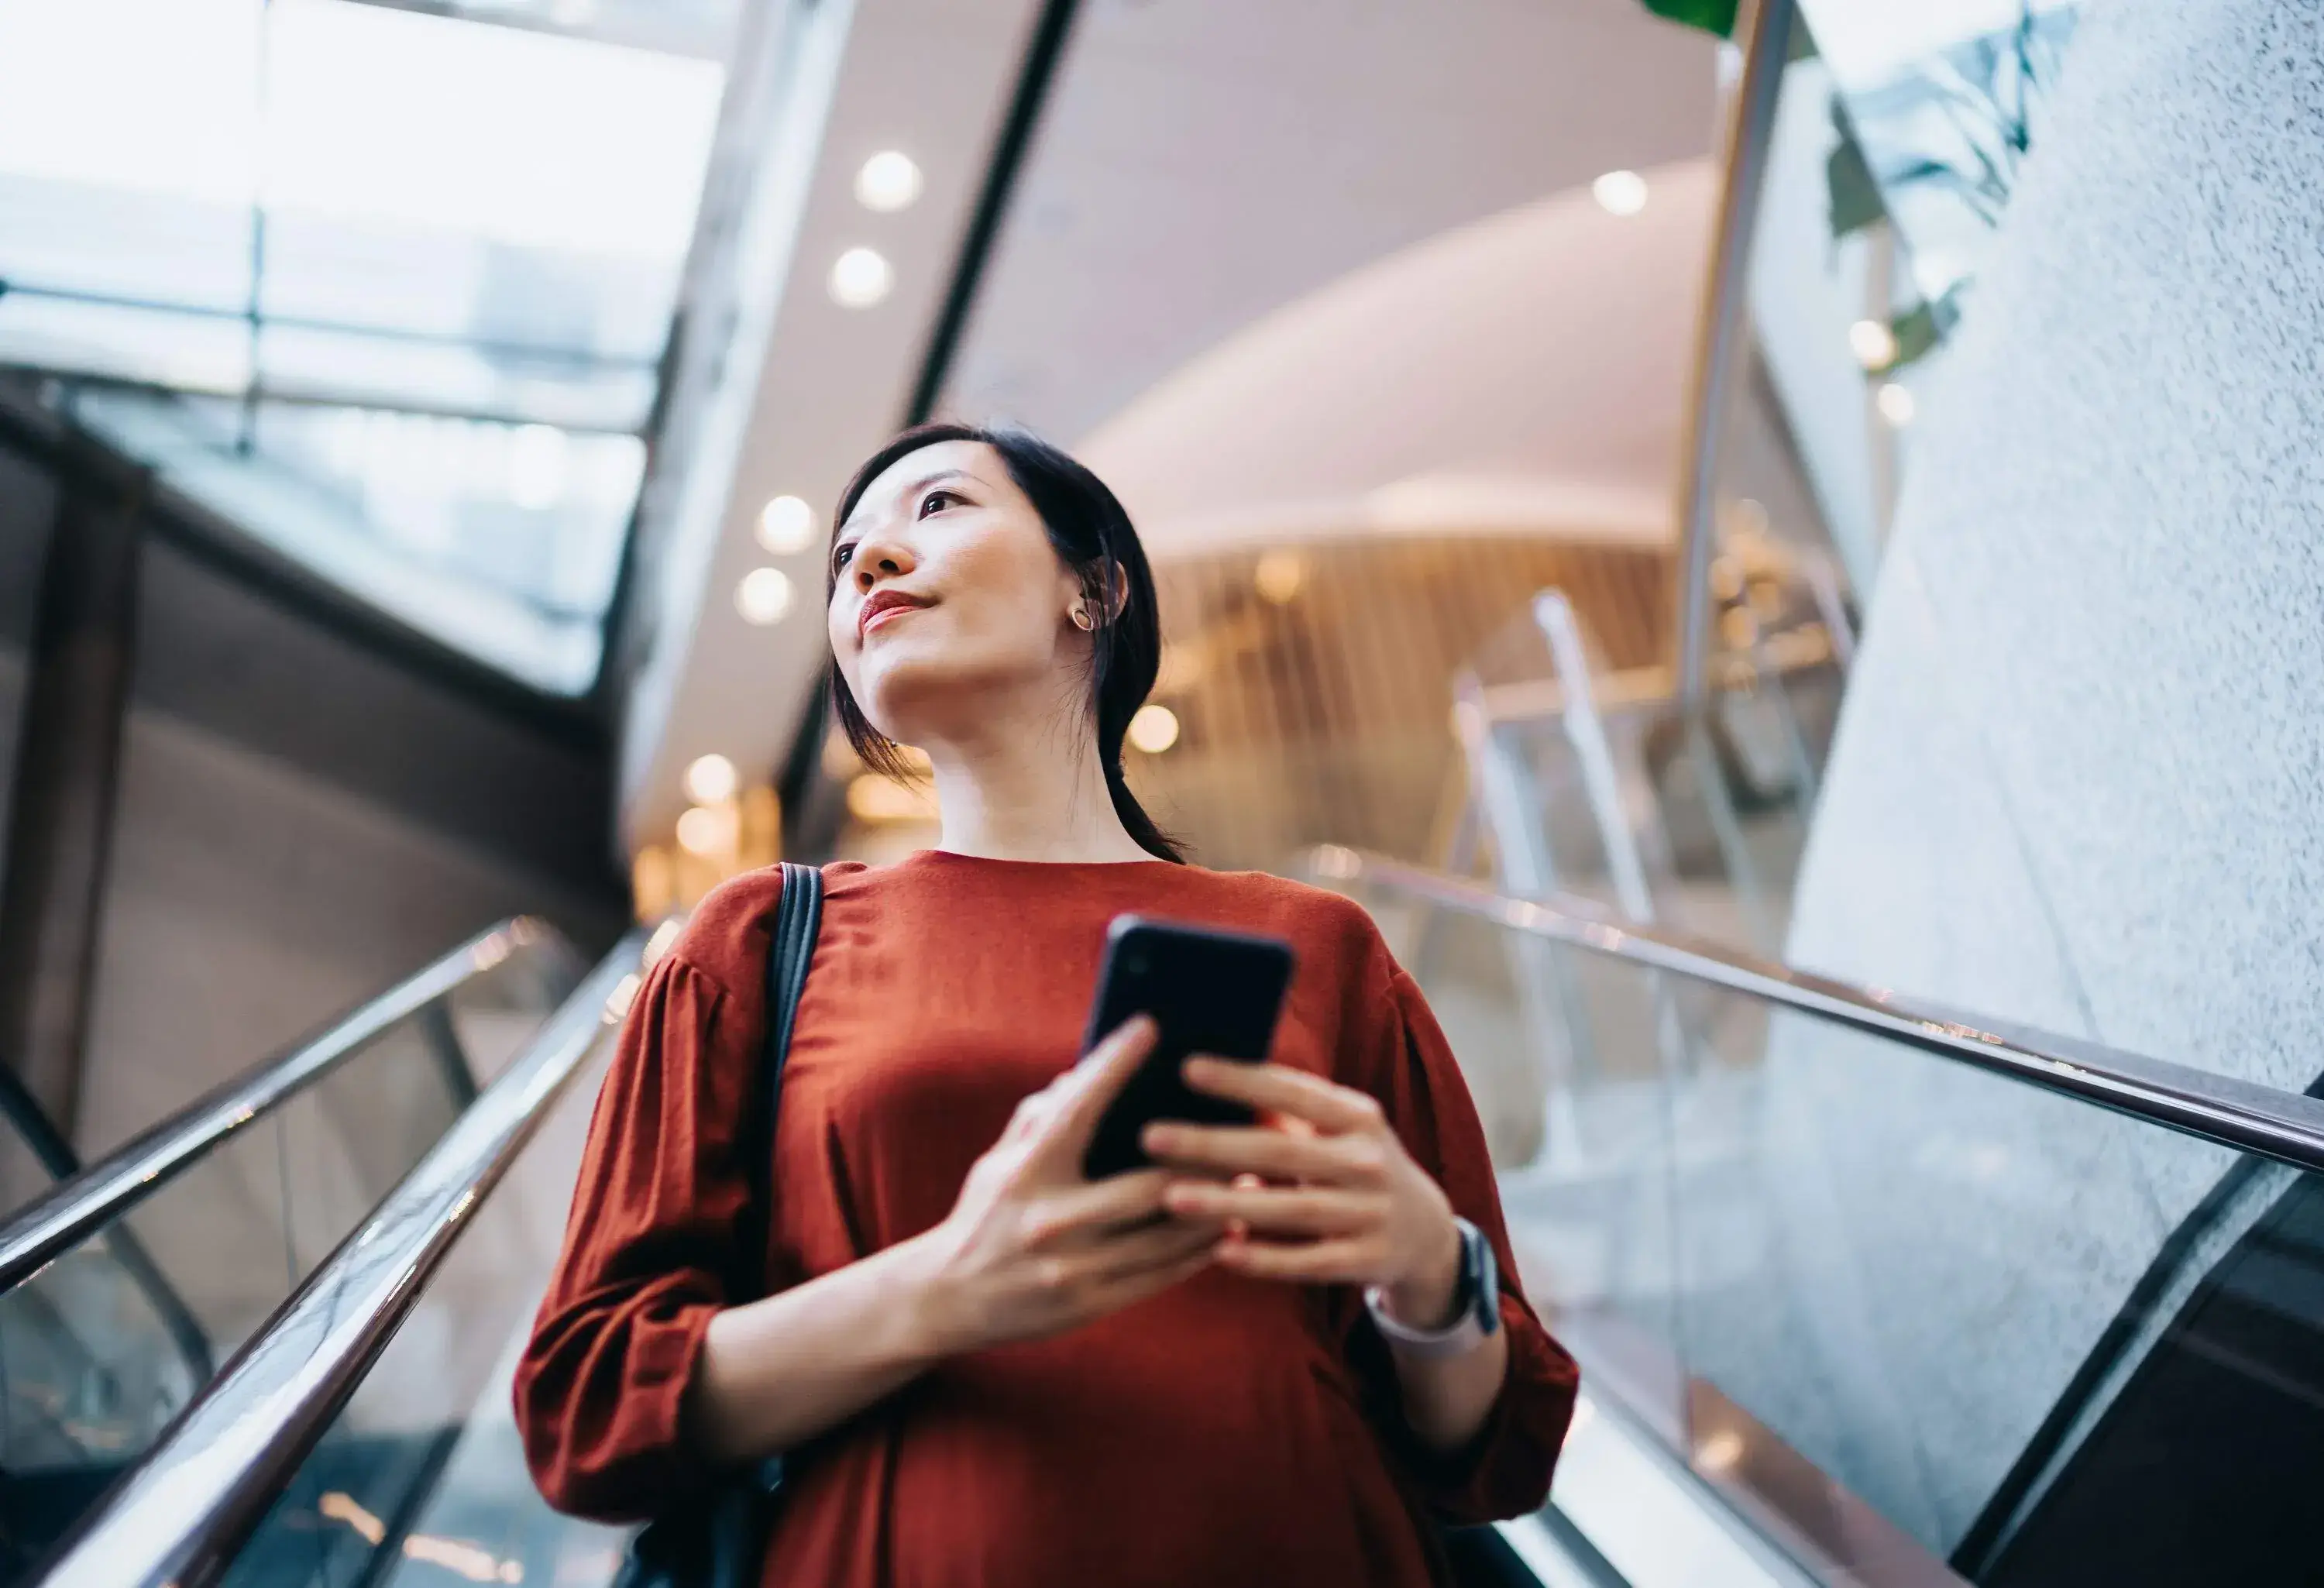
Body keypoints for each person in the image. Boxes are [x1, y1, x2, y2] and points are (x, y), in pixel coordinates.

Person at [514, 422, 1578, 1586]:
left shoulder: (1316, 945)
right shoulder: (757, 940)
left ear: (1096, 588)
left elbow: (1498, 1450)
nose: (868, 562)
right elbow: (589, 1404)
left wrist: (1431, 1270)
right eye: (846, 556)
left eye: (937, 507)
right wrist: (947, 1284)